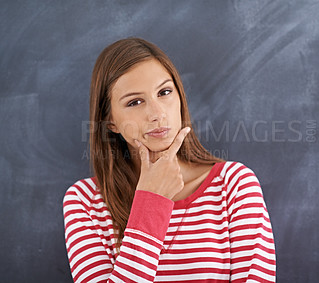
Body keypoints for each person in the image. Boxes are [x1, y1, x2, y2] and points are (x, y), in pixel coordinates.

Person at [63, 37, 276, 283]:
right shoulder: (85, 201)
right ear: (111, 121)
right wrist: (151, 201)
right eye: (135, 102)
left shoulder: (234, 185)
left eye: (164, 92)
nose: (157, 114)